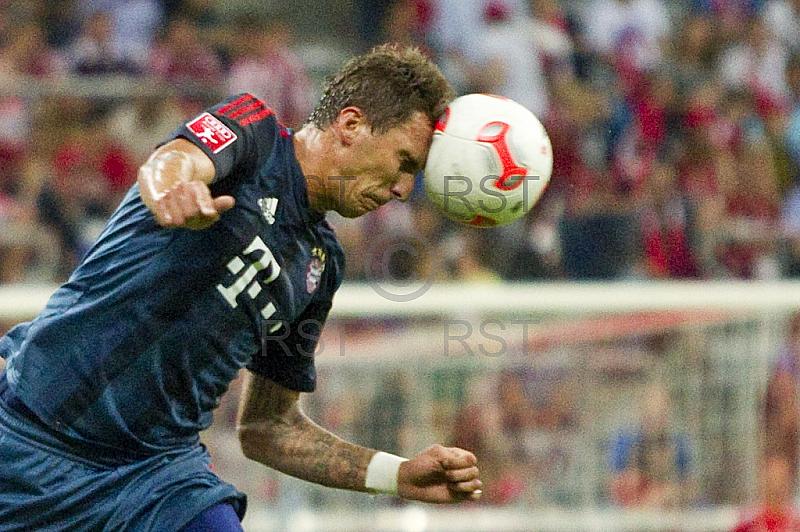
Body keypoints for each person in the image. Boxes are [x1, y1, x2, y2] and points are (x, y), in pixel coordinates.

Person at [0, 44, 483, 531]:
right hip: (34, 436)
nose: (403, 189)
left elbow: (267, 427)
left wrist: (396, 474)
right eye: (403, 162)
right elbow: (172, 162)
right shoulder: (255, 132)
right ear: (351, 125)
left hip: (157, 478)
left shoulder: (321, 266)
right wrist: (175, 188)